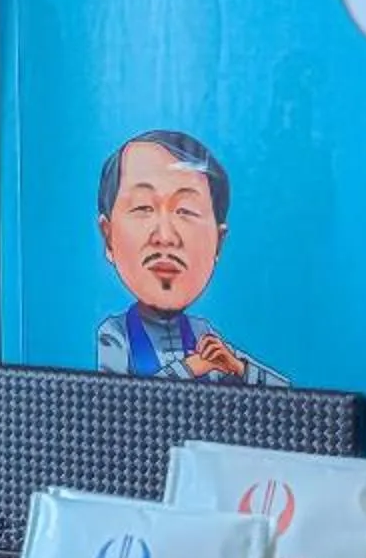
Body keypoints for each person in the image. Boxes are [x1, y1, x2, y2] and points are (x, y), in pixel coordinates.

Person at [91, 130, 284, 384]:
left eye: (186, 210)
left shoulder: (202, 334)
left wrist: (237, 367)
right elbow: (118, 405)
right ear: (108, 237)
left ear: (218, 243)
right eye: (142, 207)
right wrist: (192, 367)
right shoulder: (116, 335)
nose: (165, 236)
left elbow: (287, 396)